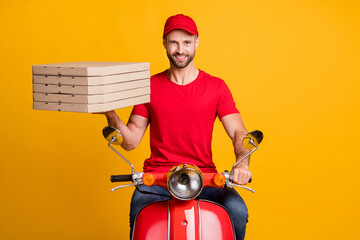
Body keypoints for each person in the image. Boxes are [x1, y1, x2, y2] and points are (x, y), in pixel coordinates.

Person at [102, 14, 252, 240]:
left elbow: (239, 132)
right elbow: (131, 141)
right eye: (173, 42)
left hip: (205, 179)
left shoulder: (216, 87)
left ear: (196, 43)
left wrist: (243, 164)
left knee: (237, 210)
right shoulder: (149, 86)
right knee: (139, 212)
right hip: (158, 180)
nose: (180, 49)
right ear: (164, 43)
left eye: (186, 42)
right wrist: (109, 112)